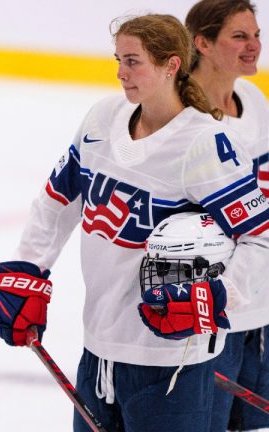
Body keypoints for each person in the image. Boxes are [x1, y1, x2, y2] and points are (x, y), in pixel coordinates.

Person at [0, 14, 269, 432]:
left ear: (171, 65)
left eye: (133, 61)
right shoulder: (102, 118)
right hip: (98, 350)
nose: (120, 73)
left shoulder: (202, 143)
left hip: (173, 364)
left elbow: (260, 237)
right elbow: (57, 200)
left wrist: (217, 297)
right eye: (118, 60)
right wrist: (29, 267)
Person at [185, 1, 269, 430]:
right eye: (240, 36)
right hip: (210, 319)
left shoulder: (253, 99)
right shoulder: (181, 119)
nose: (255, 45)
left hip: (262, 314)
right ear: (202, 42)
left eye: (255, 34)